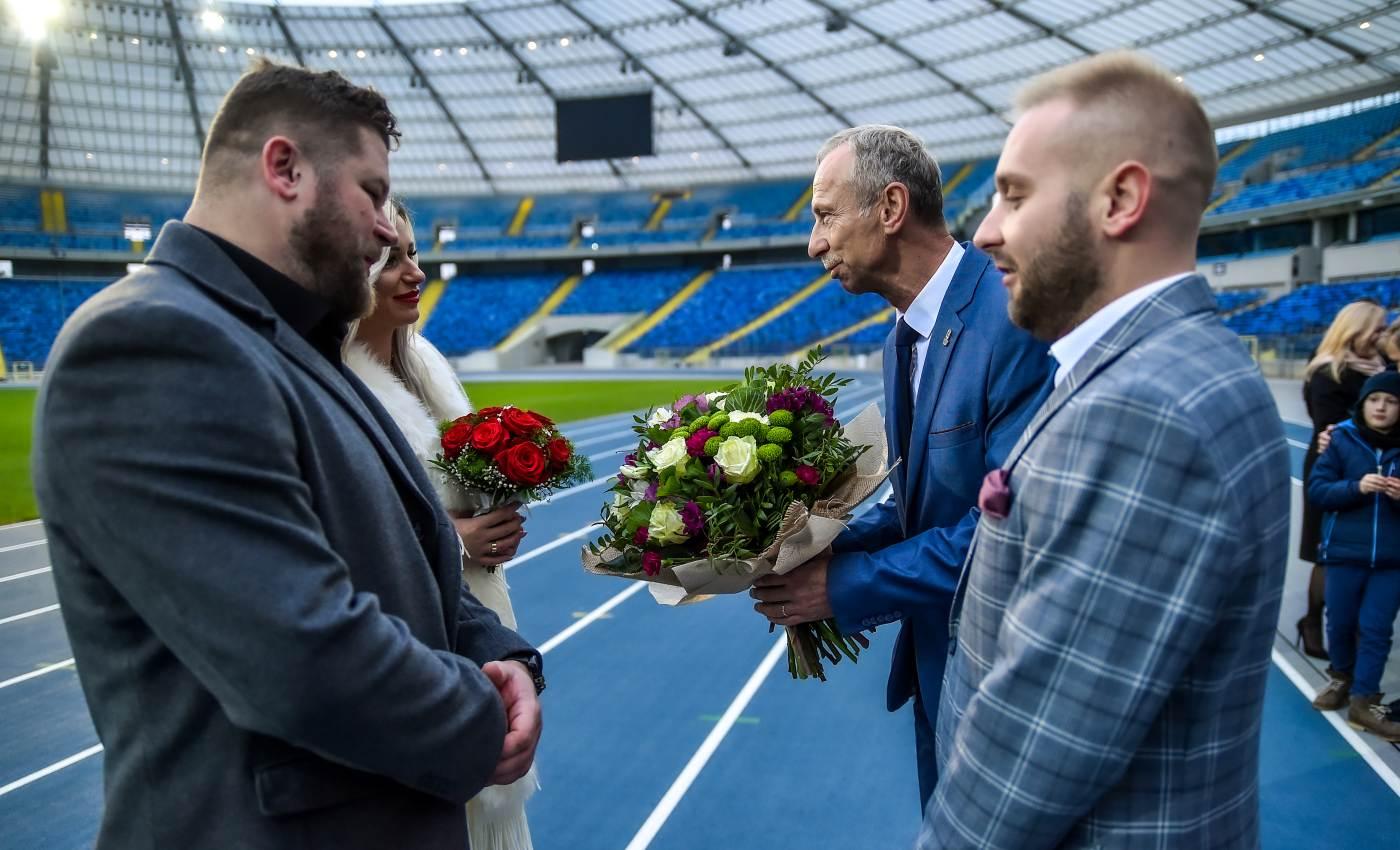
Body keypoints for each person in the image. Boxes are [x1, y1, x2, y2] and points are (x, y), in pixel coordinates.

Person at [31, 60, 542, 850]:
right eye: (371, 193)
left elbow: (413, 555)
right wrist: (485, 715)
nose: (385, 229)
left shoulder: (293, 344)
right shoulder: (153, 341)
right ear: (284, 167)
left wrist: (499, 651)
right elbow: (301, 655)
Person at [921, 52, 1289, 849]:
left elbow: (1031, 756)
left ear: (1120, 199)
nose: (984, 231)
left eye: (1014, 195)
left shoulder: (1144, 410)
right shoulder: (1166, 366)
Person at [748, 124, 1051, 810]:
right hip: (941, 674)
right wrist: (801, 550)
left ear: (889, 209)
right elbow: (925, 505)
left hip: (1009, 684)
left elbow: (1012, 530)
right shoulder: (902, 339)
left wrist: (845, 585)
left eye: (826, 215)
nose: (814, 243)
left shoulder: (1010, 319)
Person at [345, 197, 538, 849]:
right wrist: (454, 541)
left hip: (478, 621)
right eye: (390, 258)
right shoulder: (341, 385)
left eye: (415, 252)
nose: (413, 271)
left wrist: (499, 521)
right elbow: (353, 533)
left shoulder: (428, 365)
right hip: (418, 647)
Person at [1305, 371, 1400, 741]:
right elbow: (1319, 491)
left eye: (1391, 402)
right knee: (1340, 622)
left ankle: (1364, 700)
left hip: (1392, 561)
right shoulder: (1342, 440)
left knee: (1376, 629)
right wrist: (1355, 487)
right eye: (1375, 400)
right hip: (1345, 553)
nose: (1381, 407)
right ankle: (1341, 677)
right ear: (1362, 403)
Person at [1298, 301, 1389, 658]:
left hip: (1374, 467)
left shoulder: (1380, 369)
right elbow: (1330, 429)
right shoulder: (1328, 372)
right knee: (1327, 551)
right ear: (1356, 331)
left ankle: (1349, 627)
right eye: (1377, 329)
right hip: (1333, 468)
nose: (1382, 335)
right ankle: (1313, 622)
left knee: (1363, 550)